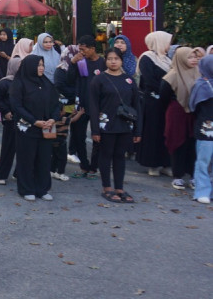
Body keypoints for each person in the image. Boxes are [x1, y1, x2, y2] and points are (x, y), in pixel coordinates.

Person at [89, 47, 142, 203]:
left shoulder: (129, 80)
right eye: (110, 58)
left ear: (121, 60)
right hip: (105, 125)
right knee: (106, 155)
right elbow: (93, 106)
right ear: (105, 60)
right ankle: (107, 188)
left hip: (125, 125)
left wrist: (138, 130)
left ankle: (119, 188)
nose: (113, 61)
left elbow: (137, 106)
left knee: (120, 156)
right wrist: (95, 129)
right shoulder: (98, 79)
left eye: (116, 59)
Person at [9, 55, 61, 201]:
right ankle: (27, 189)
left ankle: (42, 189)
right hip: (27, 127)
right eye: (38, 65)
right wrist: (34, 120)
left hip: (46, 127)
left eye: (42, 65)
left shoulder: (46, 83)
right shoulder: (19, 83)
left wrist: (53, 118)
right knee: (27, 158)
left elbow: (56, 103)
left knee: (44, 159)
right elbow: (17, 106)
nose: (41, 68)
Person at [65, 35, 106, 178]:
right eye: (79, 50)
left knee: (98, 136)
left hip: (99, 105)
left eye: (83, 50)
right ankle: (84, 164)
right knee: (78, 135)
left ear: (92, 49)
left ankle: (94, 166)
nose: (81, 53)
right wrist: (73, 63)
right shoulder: (79, 61)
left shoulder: (103, 62)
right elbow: (69, 80)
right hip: (81, 104)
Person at [161, 47, 199, 191]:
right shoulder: (172, 75)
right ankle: (178, 176)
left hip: (194, 113)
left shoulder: (198, 73)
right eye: (190, 57)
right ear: (181, 58)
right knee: (178, 142)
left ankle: (192, 175)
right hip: (177, 113)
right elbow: (163, 96)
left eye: (195, 57)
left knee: (193, 144)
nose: (194, 60)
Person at [136, 31, 173, 176]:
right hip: (152, 101)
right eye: (167, 41)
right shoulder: (147, 58)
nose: (169, 45)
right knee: (153, 132)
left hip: (166, 101)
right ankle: (152, 164)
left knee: (166, 132)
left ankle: (166, 163)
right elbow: (150, 81)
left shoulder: (167, 60)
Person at [188, 54, 213, 204]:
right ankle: (203, 191)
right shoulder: (201, 84)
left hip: (205, 126)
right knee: (204, 160)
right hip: (205, 128)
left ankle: (204, 191)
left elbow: (193, 106)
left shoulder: (201, 84)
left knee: (204, 160)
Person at [0, 58, 20, 185]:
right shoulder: (4, 83)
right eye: (19, 66)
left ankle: (19, 173)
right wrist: (5, 112)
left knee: (24, 149)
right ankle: (1, 175)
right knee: (8, 148)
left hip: (25, 119)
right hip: (10, 119)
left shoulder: (26, 81)